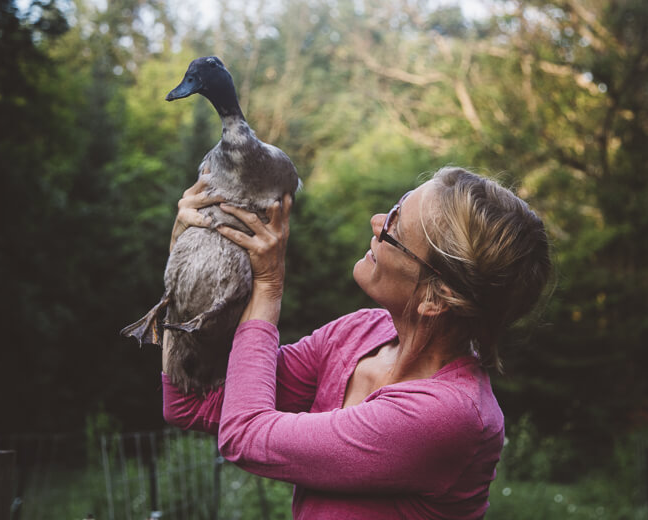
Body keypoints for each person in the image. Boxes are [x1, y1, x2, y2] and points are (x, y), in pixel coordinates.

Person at [161, 166, 552, 519]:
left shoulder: (448, 416)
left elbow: (244, 435)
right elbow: (190, 402)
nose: (378, 221)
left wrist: (268, 287)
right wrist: (186, 248)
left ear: (436, 297)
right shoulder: (360, 333)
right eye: (395, 207)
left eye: (395, 229)